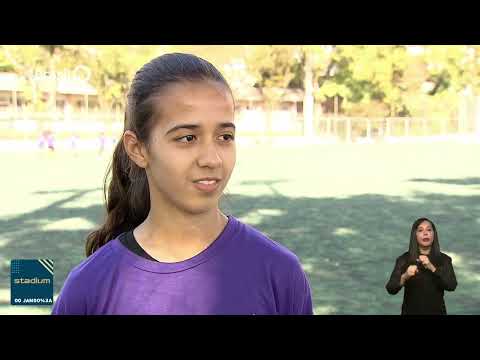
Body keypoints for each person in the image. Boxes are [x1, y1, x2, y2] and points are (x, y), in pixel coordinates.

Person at [52, 53, 313, 315]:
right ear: (138, 149)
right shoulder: (89, 288)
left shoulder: (279, 273)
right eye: (188, 138)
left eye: (225, 136)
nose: (212, 159)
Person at [386, 217, 457, 315]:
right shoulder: (404, 259)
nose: (425, 233)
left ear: (434, 234)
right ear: (415, 235)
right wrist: (405, 276)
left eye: (429, 230)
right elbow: (391, 289)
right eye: (420, 230)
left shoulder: (444, 260)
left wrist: (432, 268)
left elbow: (452, 285)